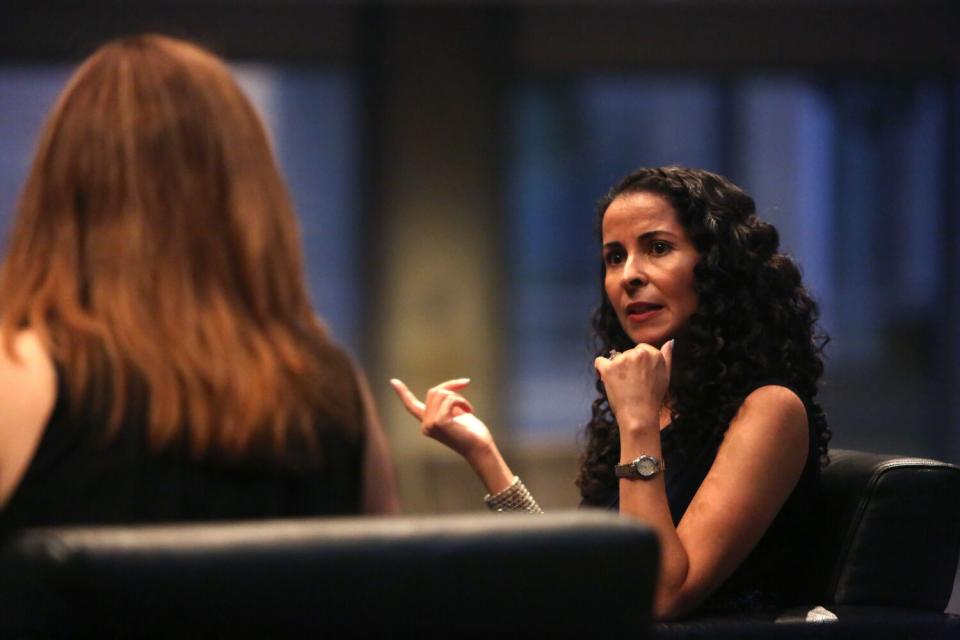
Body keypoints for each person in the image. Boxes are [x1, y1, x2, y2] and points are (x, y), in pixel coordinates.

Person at [0, 34, 399, 533]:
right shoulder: (335, 390)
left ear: (62, 197)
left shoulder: (17, 375)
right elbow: (386, 593)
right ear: (248, 201)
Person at [392, 166, 830, 619]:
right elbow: (581, 584)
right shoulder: (656, 402)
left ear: (718, 265)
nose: (629, 276)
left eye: (658, 248)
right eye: (614, 257)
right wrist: (483, 454)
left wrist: (637, 421)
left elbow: (657, 596)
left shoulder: (771, 409)